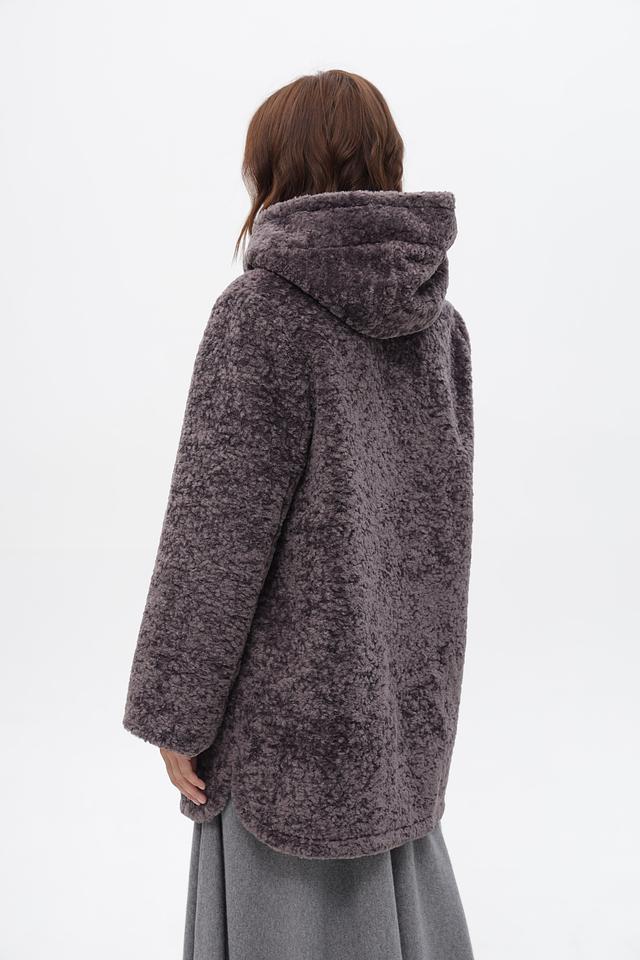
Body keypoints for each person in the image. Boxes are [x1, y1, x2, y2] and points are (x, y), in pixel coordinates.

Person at [123, 68, 475, 960]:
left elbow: (215, 530)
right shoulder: (440, 325)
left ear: (277, 170)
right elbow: (442, 537)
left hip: (284, 727)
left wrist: (176, 710)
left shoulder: (261, 315)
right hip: (394, 715)